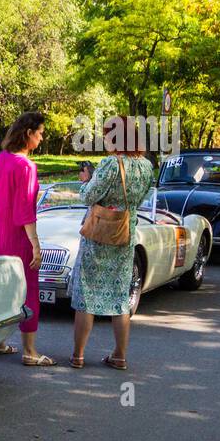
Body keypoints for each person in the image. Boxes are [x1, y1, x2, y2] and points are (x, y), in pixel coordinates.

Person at [69, 116, 156, 370]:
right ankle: (119, 355)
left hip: (100, 235)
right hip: (126, 233)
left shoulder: (110, 163)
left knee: (87, 293)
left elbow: (88, 196)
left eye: (108, 135)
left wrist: (85, 180)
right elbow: (138, 198)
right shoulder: (146, 166)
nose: (105, 139)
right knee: (120, 295)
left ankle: (78, 355)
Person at [0, 111, 53, 366]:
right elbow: (25, 211)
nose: (42, 138)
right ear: (28, 134)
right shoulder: (26, 166)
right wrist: (35, 244)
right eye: (40, 133)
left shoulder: (1, 159)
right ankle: (30, 352)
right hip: (16, 241)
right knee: (29, 291)